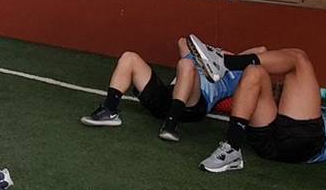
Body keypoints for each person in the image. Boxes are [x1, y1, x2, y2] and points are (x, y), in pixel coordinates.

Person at [80, 37, 262, 143]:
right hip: (171, 96)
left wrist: (230, 57)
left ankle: (171, 124)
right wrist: (209, 52)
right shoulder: (197, 57)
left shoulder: (237, 72)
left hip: (194, 105)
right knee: (130, 57)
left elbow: (262, 49)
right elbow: (183, 41)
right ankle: (109, 110)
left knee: (186, 64)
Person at [187, 37, 326, 172]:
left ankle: (225, 63)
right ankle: (232, 147)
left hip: (302, 143)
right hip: (267, 140)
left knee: (299, 58)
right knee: (254, 70)